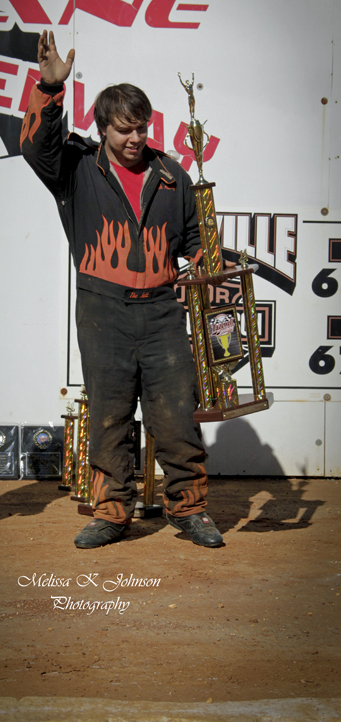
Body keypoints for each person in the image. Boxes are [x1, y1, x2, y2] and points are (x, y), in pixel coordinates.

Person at [20, 30, 223, 550]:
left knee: (177, 416)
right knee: (110, 416)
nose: (135, 138)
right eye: (124, 129)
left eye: (142, 127)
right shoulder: (74, 168)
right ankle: (112, 513)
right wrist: (48, 88)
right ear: (103, 127)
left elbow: (200, 239)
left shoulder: (172, 174)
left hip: (160, 314)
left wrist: (196, 267)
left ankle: (191, 510)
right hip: (102, 310)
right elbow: (35, 146)